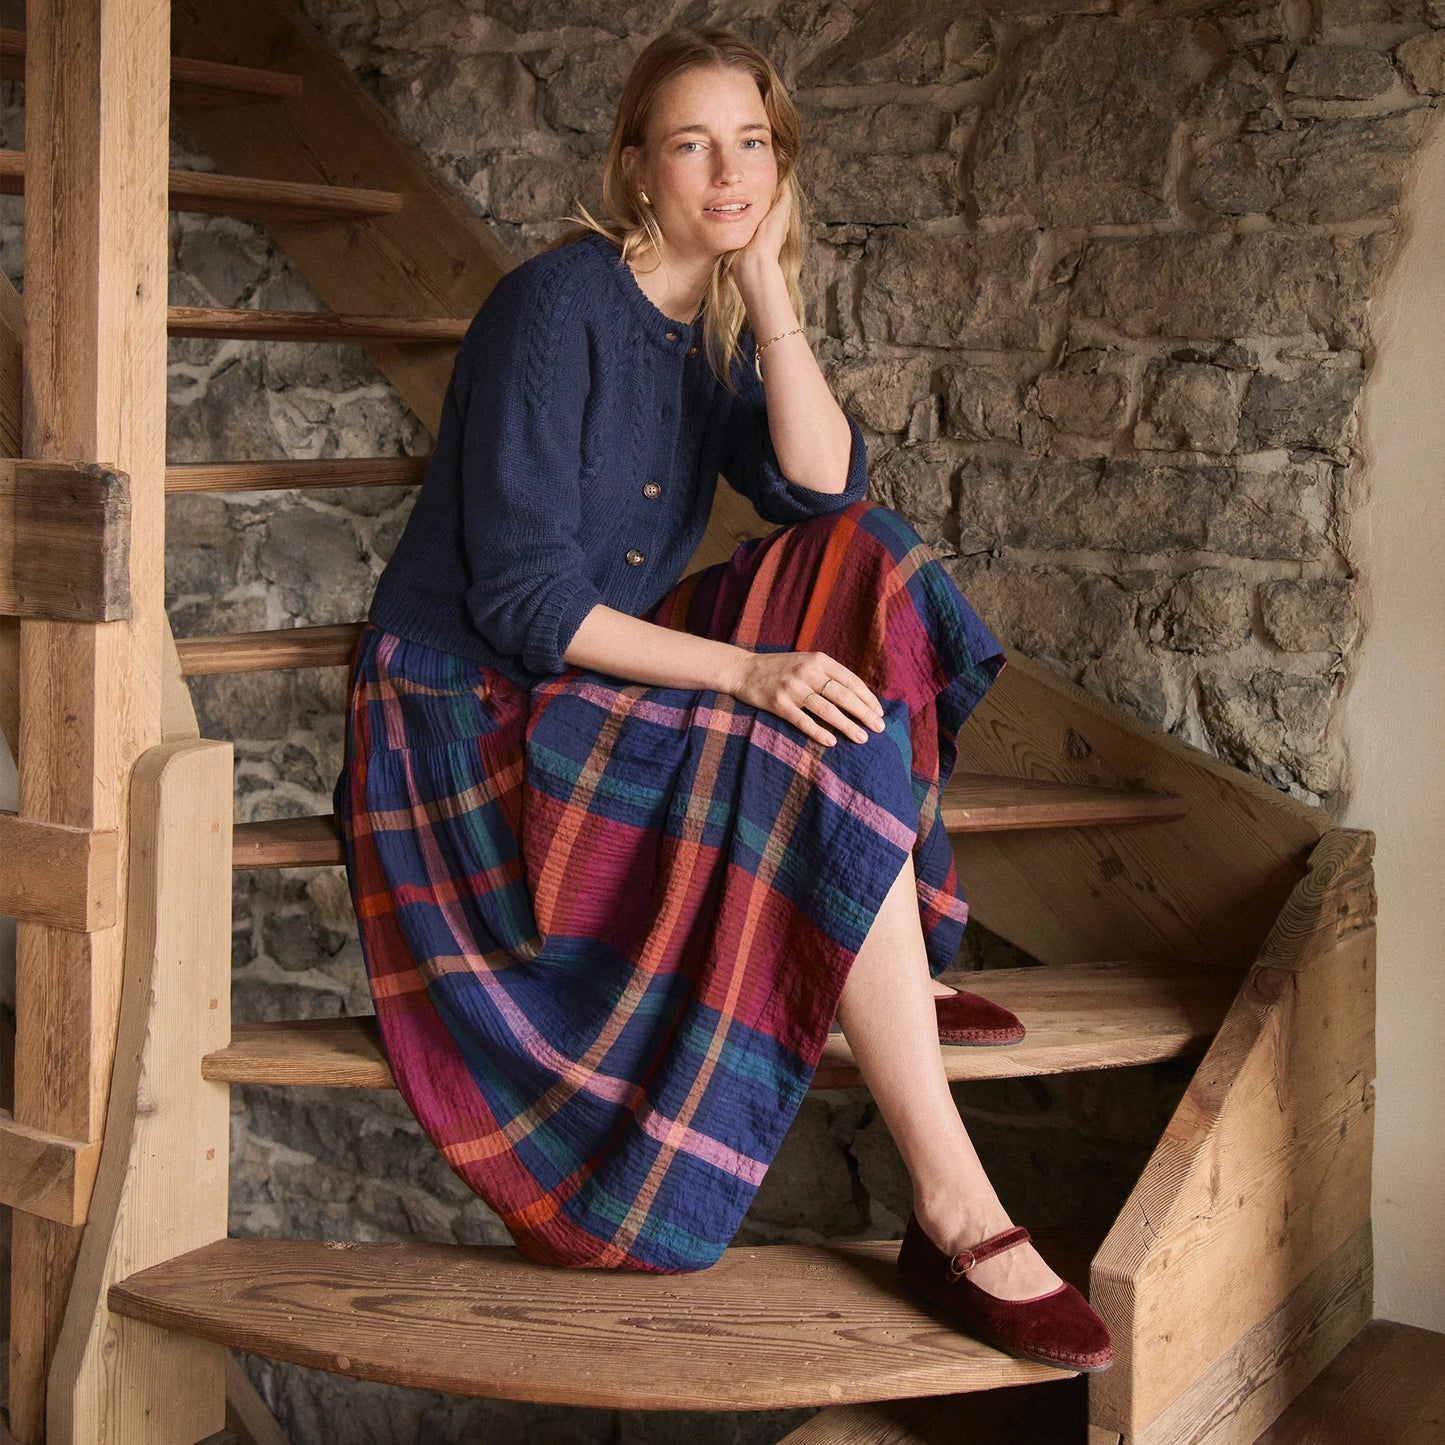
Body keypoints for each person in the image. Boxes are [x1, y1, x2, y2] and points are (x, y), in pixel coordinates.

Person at [333, 24, 1111, 1373]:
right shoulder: (553, 306)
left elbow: (821, 490)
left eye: (751, 142)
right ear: (636, 166)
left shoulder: (710, 327)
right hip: (472, 711)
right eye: (691, 143)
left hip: (587, 668)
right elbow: (522, 605)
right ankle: (955, 1205)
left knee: (867, 561)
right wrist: (751, 672)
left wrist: (767, 287)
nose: (727, 169)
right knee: (810, 743)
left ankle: (879, 951)